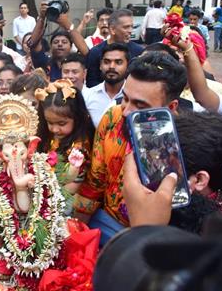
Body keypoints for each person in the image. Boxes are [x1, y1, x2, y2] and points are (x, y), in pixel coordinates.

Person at [73, 51, 187, 246]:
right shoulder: (112, 118)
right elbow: (95, 183)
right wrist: (76, 234)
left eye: (140, 105)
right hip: (105, 224)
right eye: (125, 99)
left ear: (171, 107)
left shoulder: (184, 141)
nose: (126, 111)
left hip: (153, 242)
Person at [35, 79, 94, 195]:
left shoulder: (79, 148)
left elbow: (74, 185)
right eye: (50, 123)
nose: (55, 129)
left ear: (77, 118)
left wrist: (49, 201)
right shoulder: (48, 136)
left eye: (61, 124)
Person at [84, 9, 144, 87]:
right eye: (126, 27)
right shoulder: (95, 52)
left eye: (131, 27)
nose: (130, 31)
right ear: (112, 29)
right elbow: (92, 82)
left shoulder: (139, 52)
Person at [85, 43, 129, 127]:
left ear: (127, 66)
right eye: (106, 62)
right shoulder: (88, 96)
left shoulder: (134, 96)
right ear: (100, 66)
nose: (111, 66)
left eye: (118, 62)